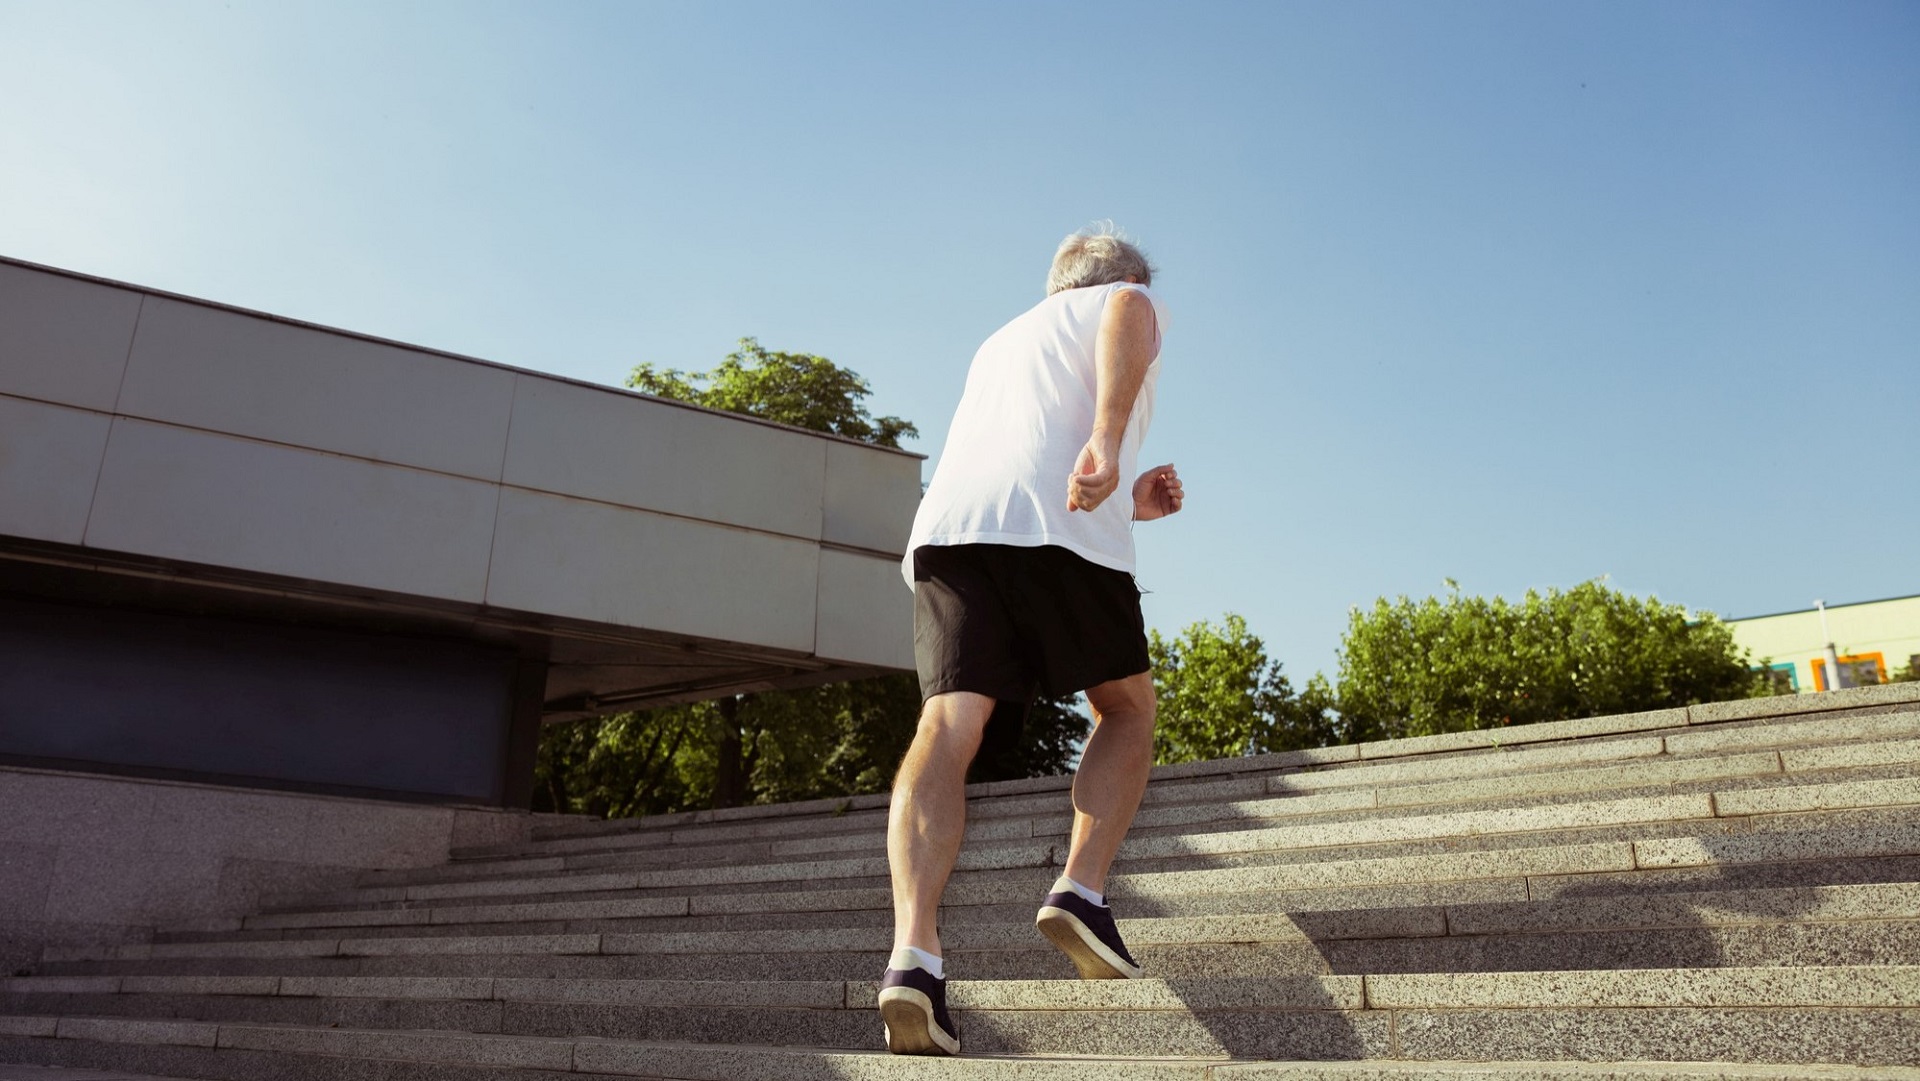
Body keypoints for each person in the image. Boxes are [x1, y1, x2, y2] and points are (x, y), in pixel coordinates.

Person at [877, 225, 1184, 1056]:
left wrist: (1130, 503)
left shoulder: (1001, 340)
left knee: (946, 729)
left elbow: (1019, 455)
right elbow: (1126, 311)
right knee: (1126, 709)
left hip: (950, 531)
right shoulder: (1124, 298)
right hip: (1059, 528)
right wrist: (1112, 442)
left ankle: (913, 958)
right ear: (1115, 278)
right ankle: (1081, 890)